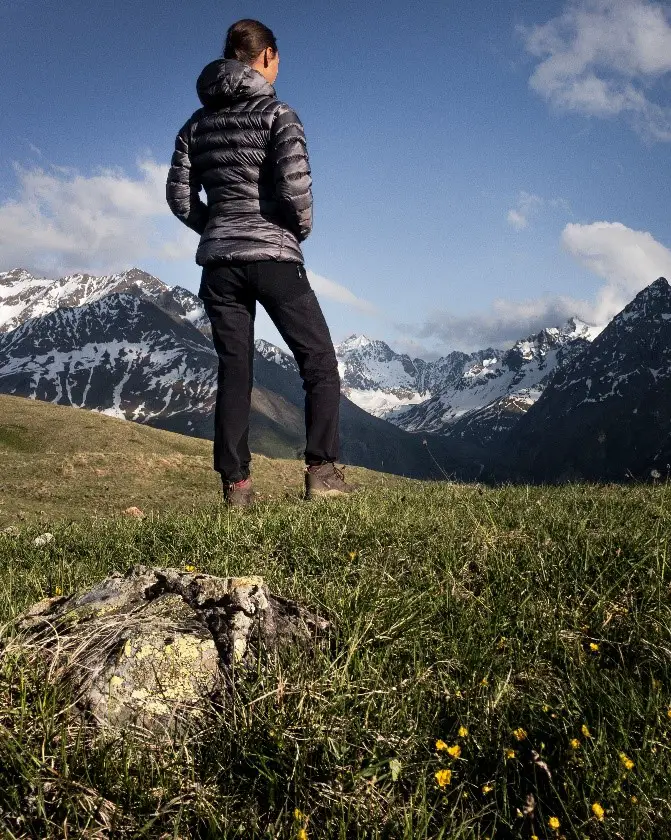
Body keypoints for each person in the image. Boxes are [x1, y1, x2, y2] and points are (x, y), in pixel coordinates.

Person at [166, 18, 355, 506]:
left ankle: (237, 490)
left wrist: (217, 226)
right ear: (267, 56)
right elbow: (296, 188)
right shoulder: (279, 114)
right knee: (317, 361)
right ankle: (322, 474)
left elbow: (180, 197)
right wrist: (297, 230)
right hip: (273, 256)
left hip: (219, 266)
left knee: (235, 371)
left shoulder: (195, 124)